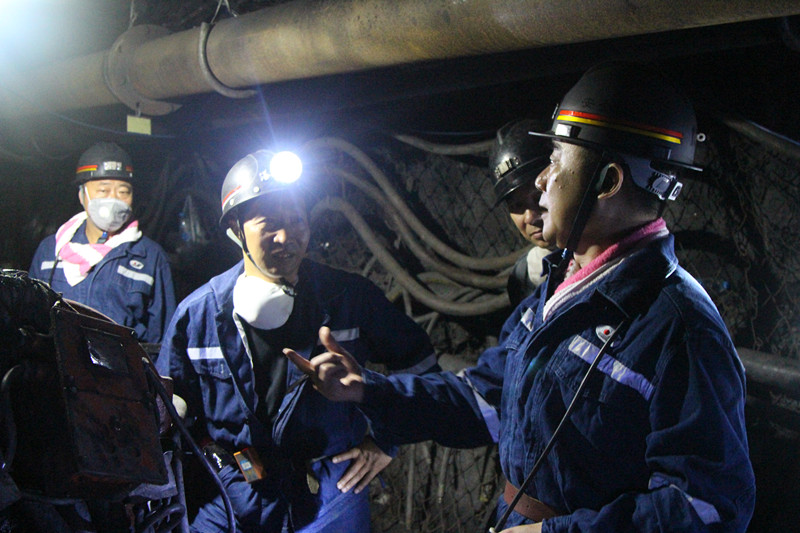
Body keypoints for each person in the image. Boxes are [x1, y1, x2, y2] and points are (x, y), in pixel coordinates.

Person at [288, 62, 756, 532]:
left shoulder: (680, 329)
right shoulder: (558, 287)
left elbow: (707, 506)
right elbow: (485, 400)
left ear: (608, 181)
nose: (541, 179)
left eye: (556, 158)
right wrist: (369, 389)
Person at [155, 149, 438, 532]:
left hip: (332, 489)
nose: (286, 237)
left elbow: (421, 366)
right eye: (269, 224)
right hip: (238, 486)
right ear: (236, 228)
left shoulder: (349, 298)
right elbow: (171, 404)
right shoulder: (199, 314)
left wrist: (386, 441)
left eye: (296, 221)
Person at [28, 141, 176, 344]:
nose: (114, 199)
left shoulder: (150, 257)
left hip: (122, 365)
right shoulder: (50, 250)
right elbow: (30, 318)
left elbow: (164, 338)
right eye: (103, 190)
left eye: (123, 192)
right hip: (57, 363)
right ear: (82, 195)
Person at [489, 119, 555, 307]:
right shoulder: (525, 275)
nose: (530, 217)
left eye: (538, 197)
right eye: (517, 206)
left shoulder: (610, 251)